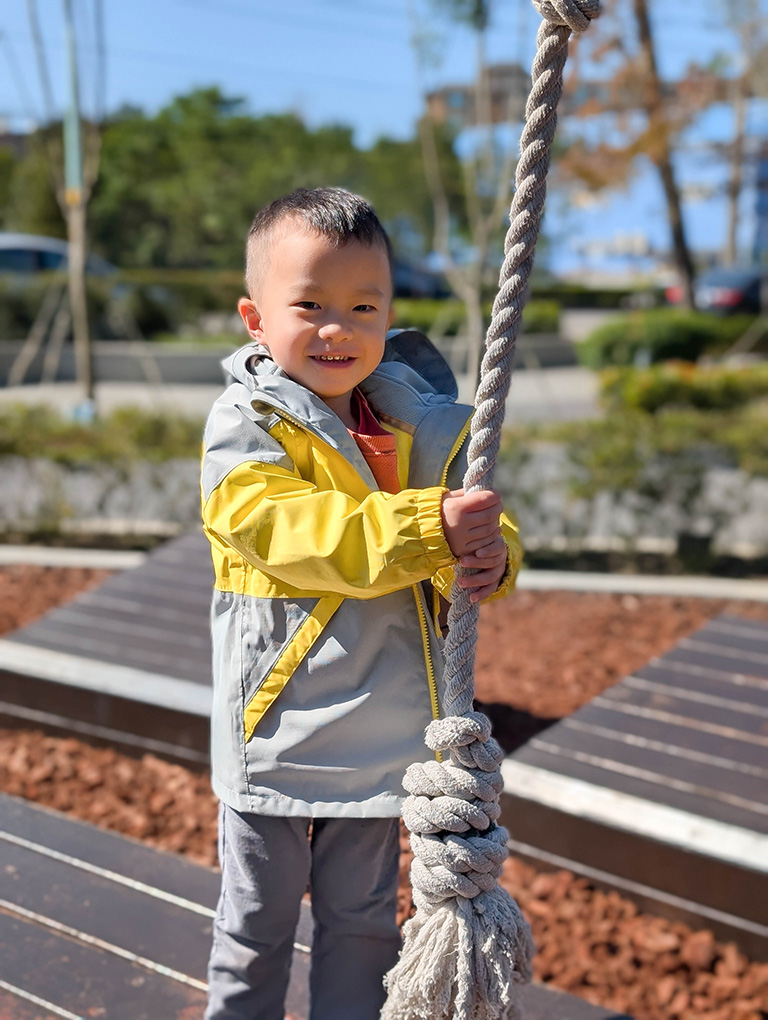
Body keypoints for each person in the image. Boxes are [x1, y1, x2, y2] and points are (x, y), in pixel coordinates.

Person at [200, 186, 522, 1020]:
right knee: (256, 923)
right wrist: (430, 529)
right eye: (308, 305)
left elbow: (475, 523)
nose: (336, 328)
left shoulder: (421, 424)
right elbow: (286, 529)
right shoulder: (246, 426)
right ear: (255, 317)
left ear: (387, 316)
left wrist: (490, 559)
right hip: (280, 730)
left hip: (384, 732)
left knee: (365, 925)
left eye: (361, 305)